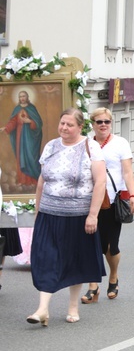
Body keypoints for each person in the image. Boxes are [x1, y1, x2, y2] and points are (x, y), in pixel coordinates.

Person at [26, 108, 107, 326]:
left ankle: (73, 306)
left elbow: (100, 182)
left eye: (69, 124)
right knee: (45, 259)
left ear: (80, 127)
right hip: (49, 214)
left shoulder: (91, 148)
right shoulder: (51, 146)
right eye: (62, 123)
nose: (64, 128)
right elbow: (42, 181)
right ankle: (43, 308)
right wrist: (38, 211)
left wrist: (93, 215)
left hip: (78, 216)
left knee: (74, 261)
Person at [81, 108, 134, 304]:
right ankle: (93, 286)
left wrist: (133, 194)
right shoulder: (85, 144)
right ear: (92, 124)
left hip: (112, 201)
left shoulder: (120, 143)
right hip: (88, 201)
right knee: (89, 245)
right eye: (99, 122)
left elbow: (127, 172)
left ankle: (113, 275)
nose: (103, 124)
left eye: (106, 121)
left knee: (109, 247)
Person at [0, 90, 44, 187]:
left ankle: (34, 180)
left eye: (23, 96)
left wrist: (29, 121)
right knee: (21, 157)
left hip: (31, 139)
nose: (22, 98)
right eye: (20, 96)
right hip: (21, 138)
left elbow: (39, 123)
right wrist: (6, 128)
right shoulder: (17, 109)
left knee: (31, 157)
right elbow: (13, 122)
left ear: (27, 97)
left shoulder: (32, 108)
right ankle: (23, 180)